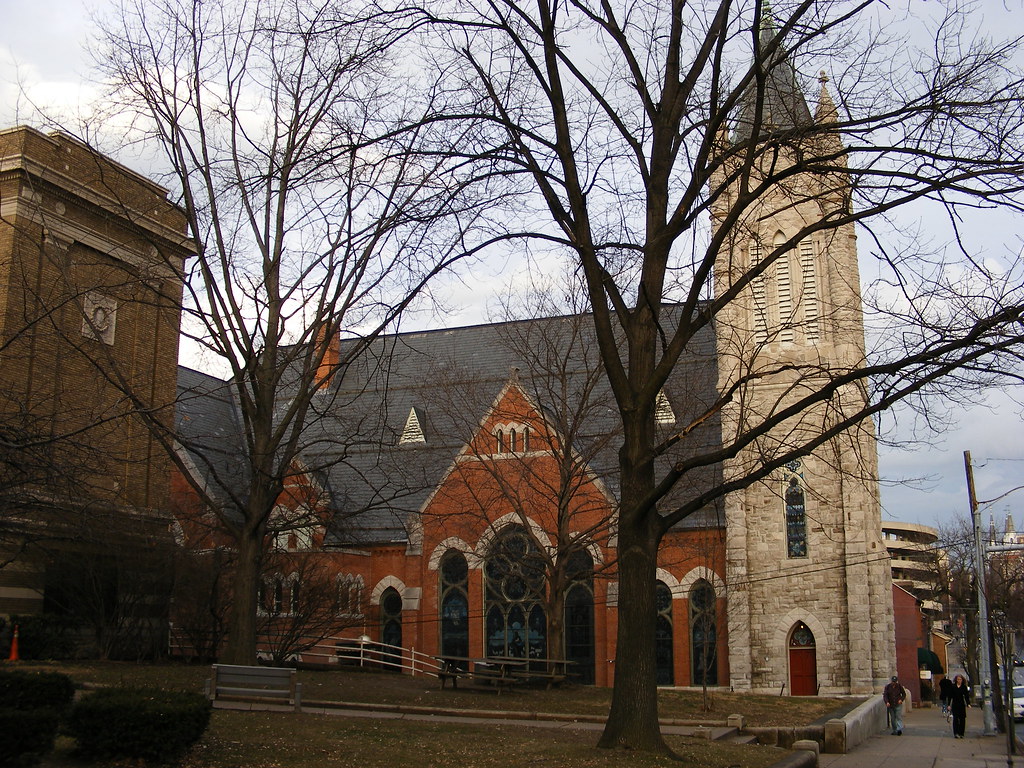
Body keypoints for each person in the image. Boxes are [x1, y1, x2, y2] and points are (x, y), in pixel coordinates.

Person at [949, 674, 971, 738]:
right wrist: (949, 705)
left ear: (962, 680)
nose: (959, 680)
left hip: (961, 704)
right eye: (958, 679)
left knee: (962, 719)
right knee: (955, 719)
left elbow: (966, 696)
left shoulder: (964, 687)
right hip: (955, 704)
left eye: (960, 679)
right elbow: (950, 696)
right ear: (956, 680)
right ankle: (956, 733)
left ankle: (961, 733)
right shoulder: (953, 687)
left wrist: (968, 704)